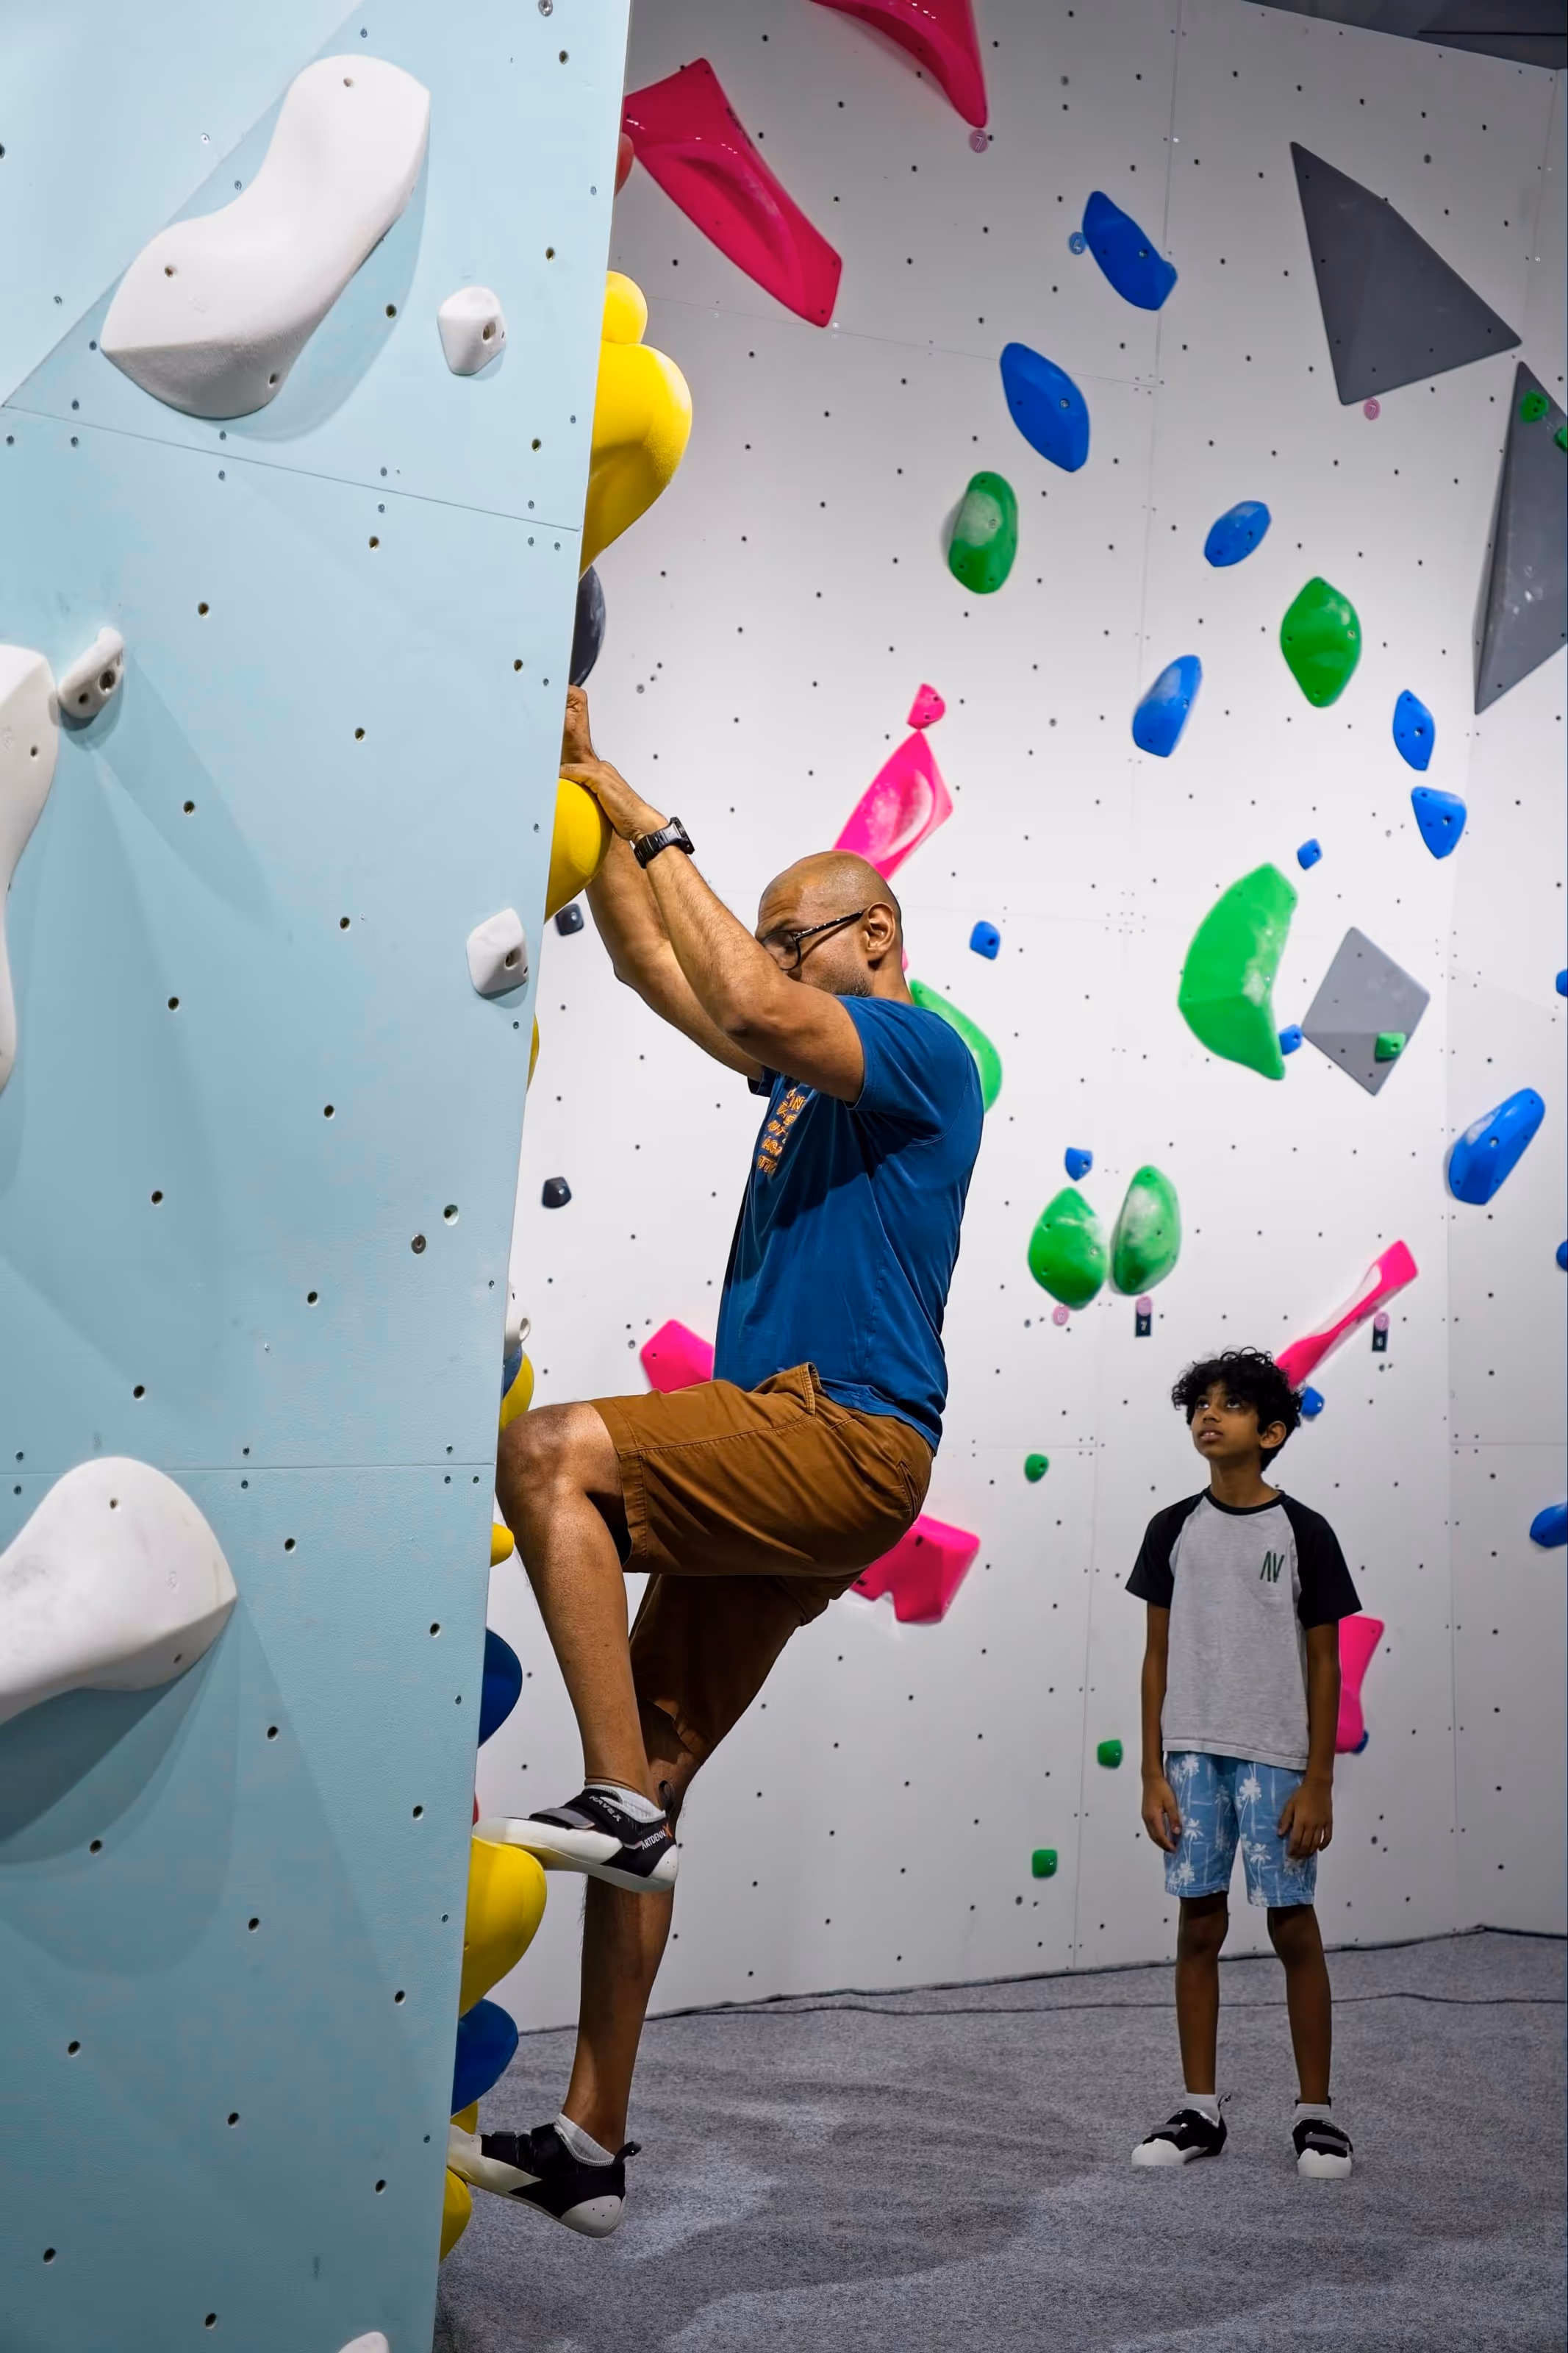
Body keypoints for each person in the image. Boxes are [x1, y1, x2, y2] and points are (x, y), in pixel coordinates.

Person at [451, 685, 984, 2235]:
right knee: (664, 1770)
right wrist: (578, 779)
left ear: (872, 936)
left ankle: (612, 1797)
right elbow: (648, 959)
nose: (763, 952)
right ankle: (596, 2140)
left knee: (550, 1455)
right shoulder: (797, 1080)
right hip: (797, 1462)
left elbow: (746, 999)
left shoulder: (923, 1054)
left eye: (789, 931)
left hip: (841, 1434)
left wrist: (644, 805)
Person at [1125, 1346, 1363, 2179]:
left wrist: (1319, 1777)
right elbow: (1155, 1657)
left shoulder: (1304, 1532)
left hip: (1277, 1762)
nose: (1206, 1416)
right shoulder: (1171, 1529)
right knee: (1198, 1924)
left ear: (1269, 1432)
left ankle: (1318, 2112)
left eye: (1227, 1406)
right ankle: (1200, 2108)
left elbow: (1327, 1663)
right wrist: (1153, 1769)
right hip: (1191, 1757)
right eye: (1199, 1404)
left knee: (1292, 1925)